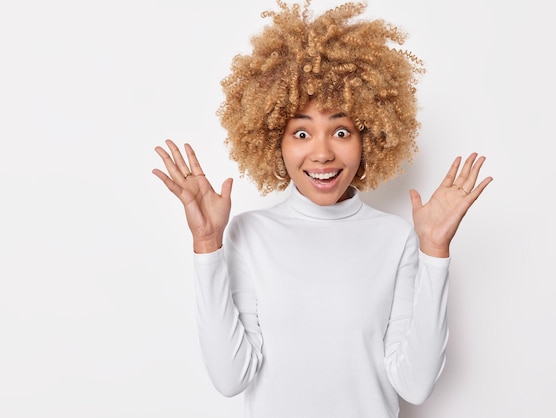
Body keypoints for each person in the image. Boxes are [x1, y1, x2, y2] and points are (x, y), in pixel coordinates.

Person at [153, 1, 492, 417]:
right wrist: (207, 244)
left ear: (369, 136)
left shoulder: (395, 238)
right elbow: (231, 378)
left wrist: (435, 251)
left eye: (342, 130)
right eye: (300, 132)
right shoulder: (247, 234)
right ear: (273, 139)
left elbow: (415, 386)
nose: (322, 153)